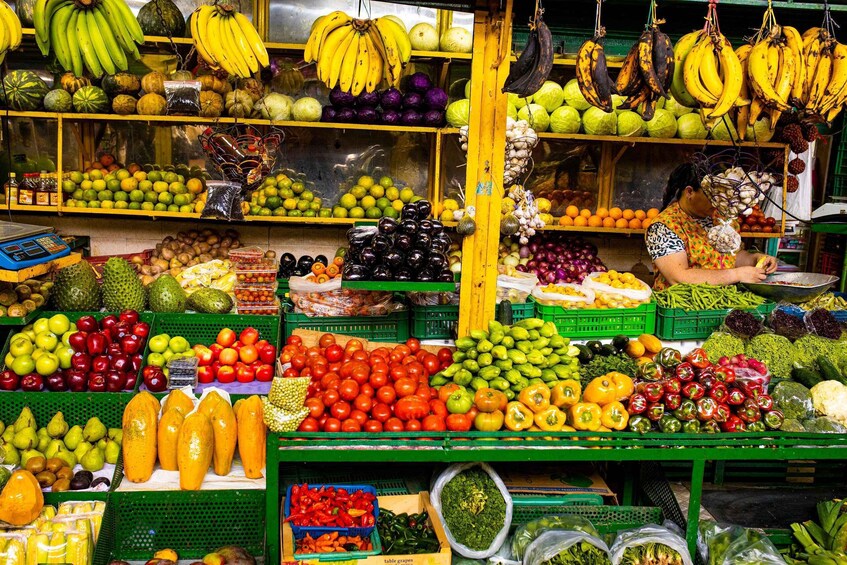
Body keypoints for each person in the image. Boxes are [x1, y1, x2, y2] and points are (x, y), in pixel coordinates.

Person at [645, 162, 778, 290]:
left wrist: (755, 259)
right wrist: (737, 275)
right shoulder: (663, 226)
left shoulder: (721, 217)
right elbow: (678, 277)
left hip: (721, 305)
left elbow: (731, 257)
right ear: (690, 192)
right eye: (713, 196)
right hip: (681, 309)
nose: (719, 201)